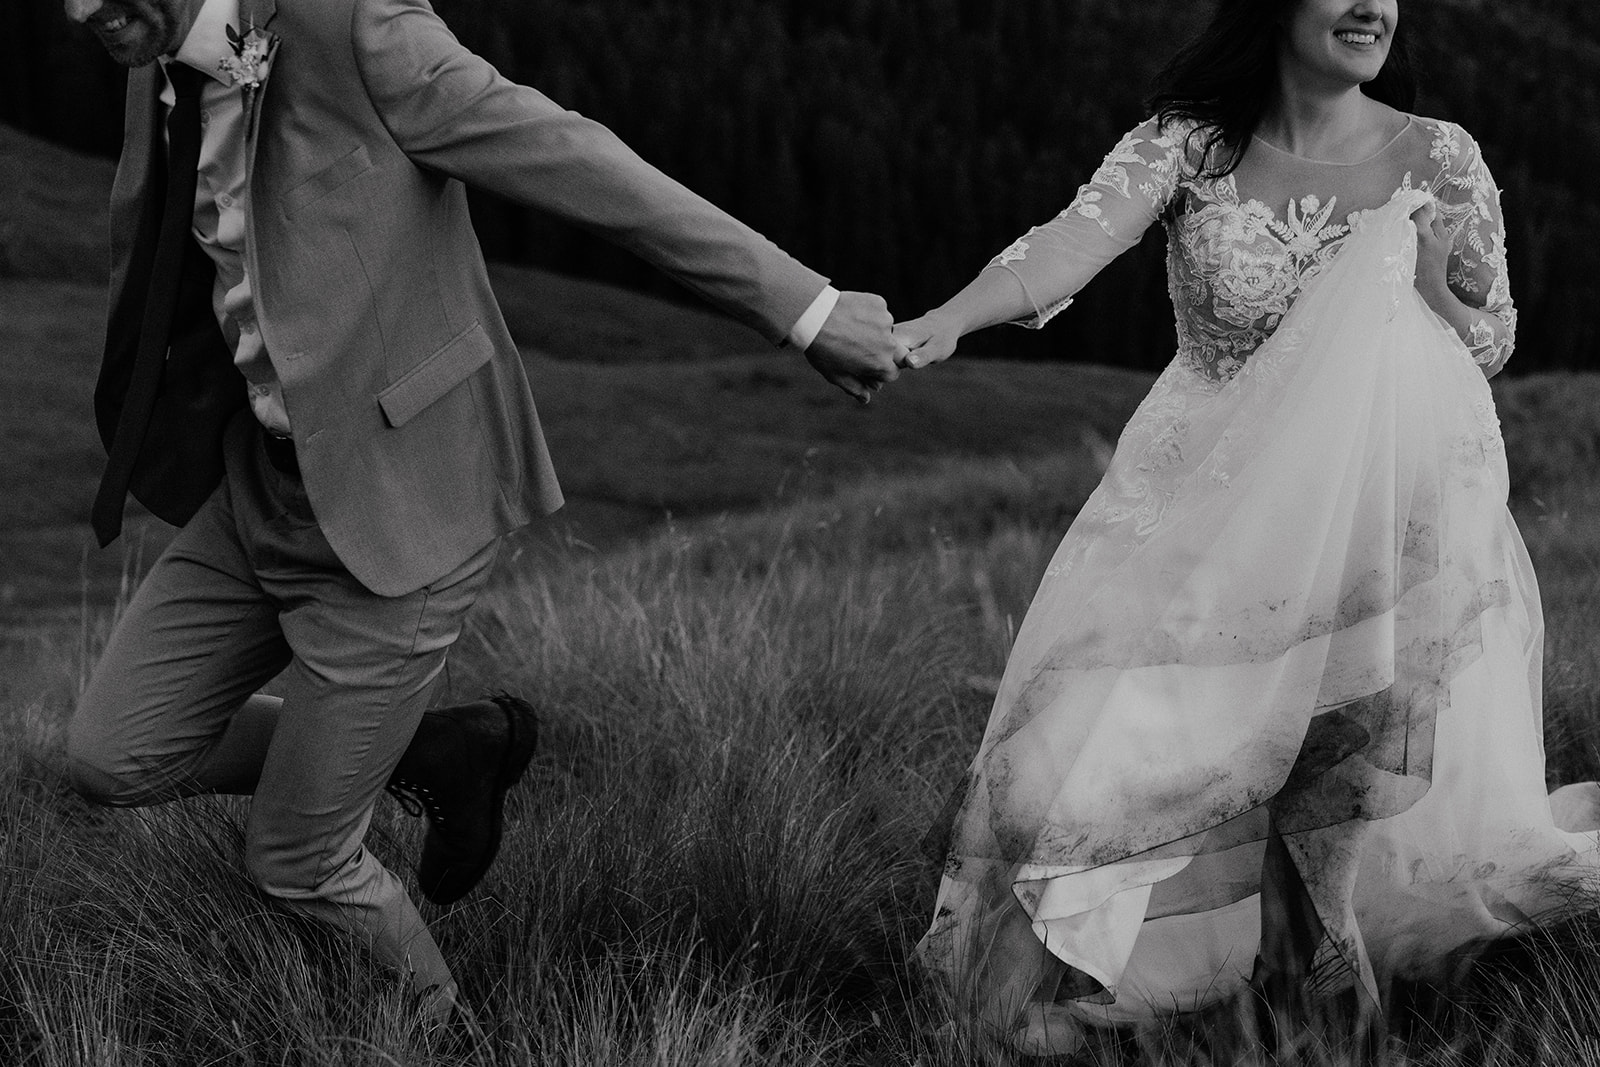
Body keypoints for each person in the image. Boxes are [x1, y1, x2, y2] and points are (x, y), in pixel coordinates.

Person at [58, 0, 902, 1027]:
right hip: (263, 485)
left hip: (403, 502)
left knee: (295, 858)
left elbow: (575, 158)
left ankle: (445, 1024)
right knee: (109, 754)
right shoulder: (156, 53)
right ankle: (426, 749)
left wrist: (806, 308)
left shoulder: (354, 26)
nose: (73, 8)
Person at [898, 0, 1600, 1053]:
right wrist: (947, 319)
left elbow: (1489, 338)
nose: (1370, 7)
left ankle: (1308, 995)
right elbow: (1066, 248)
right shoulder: (1189, 143)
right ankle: (1067, 980)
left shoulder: (1439, 155)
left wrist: (1427, 289)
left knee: (1326, 774)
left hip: (1376, 518)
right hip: (1202, 507)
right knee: (1091, 749)